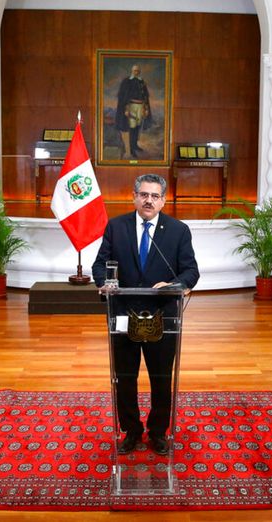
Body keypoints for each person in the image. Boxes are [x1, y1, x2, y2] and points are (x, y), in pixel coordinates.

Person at [92, 174, 199, 455]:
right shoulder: (116, 227)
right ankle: (131, 431)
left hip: (162, 316)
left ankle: (158, 432)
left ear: (163, 200)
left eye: (154, 195)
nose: (148, 200)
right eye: (143, 194)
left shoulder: (178, 231)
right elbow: (99, 265)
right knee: (125, 378)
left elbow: (191, 272)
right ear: (134, 196)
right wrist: (104, 282)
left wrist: (175, 285)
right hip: (123, 315)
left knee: (161, 378)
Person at [114, 64, 152, 158]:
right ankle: (131, 150)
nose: (136, 72)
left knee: (138, 126)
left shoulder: (141, 82)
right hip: (131, 106)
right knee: (132, 127)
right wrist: (126, 109)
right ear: (132, 71)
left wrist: (146, 108)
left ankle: (135, 145)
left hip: (140, 106)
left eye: (138, 71)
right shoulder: (127, 81)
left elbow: (145, 96)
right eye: (135, 71)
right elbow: (123, 96)